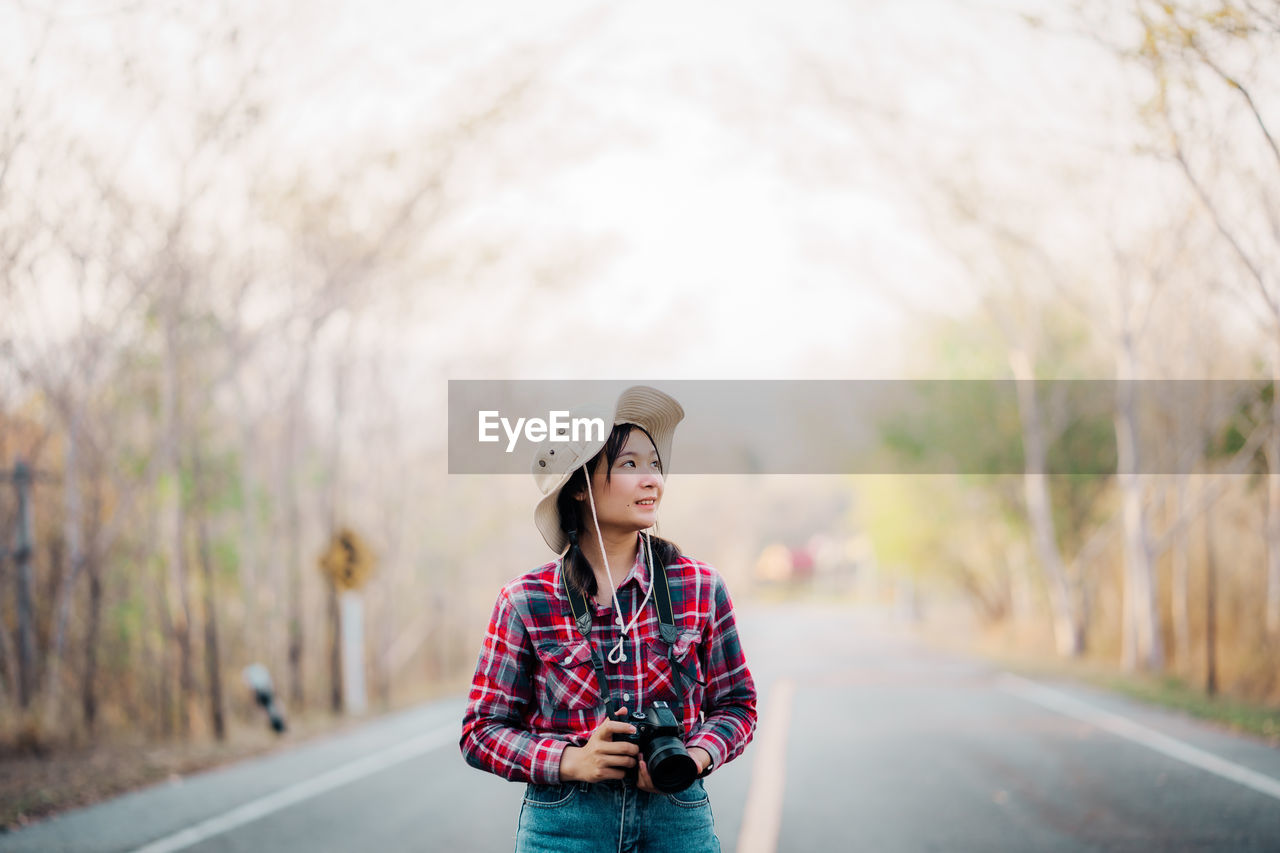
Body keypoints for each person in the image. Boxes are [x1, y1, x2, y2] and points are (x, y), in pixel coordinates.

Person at [460, 385, 757, 853]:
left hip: (677, 817)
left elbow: (737, 706)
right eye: (629, 465)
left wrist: (694, 757)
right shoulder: (526, 599)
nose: (651, 480)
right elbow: (480, 732)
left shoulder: (699, 586)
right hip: (564, 825)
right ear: (578, 485)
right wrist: (572, 762)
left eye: (654, 465)